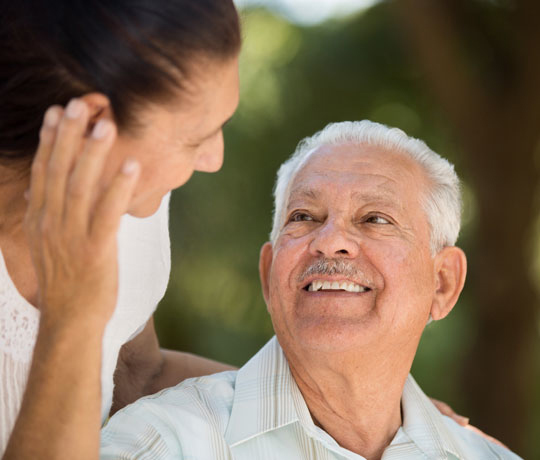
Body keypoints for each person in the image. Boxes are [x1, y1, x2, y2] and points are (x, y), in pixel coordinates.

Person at [100, 121, 522, 459]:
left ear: (443, 283)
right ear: (268, 276)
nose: (329, 240)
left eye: (375, 219)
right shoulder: (159, 443)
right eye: (304, 216)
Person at [0, 0, 240, 457]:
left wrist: (383, 414)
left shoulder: (128, 192)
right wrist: (73, 317)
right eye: (196, 137)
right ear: (93, 125)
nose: (214, 160)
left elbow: (137, 373)